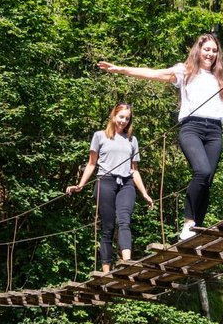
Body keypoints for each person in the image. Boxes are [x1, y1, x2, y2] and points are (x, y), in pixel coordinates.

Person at [98, 34, 223, 242]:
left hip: (214, 132)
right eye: (207, 50)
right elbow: (153, 74)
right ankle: (188, 223)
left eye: (214, 51)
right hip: (191, 128)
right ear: (198, 50)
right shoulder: (185, 72)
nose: (210, 54)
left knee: (208, 180)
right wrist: (121, 69)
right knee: (202, 172)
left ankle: (198, 227)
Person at [66, 102, 156, 273]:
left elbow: (134, 171)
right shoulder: (99, 136)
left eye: (127, 119)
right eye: (121, 117)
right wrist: (80, 185)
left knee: (124, 220)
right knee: (108, 227)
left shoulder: (132, 140)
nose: (123, 121)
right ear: (114, 116)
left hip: (126, 184)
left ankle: (127, 262)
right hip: (105, 182)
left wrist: (144, 193)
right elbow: (92, 164)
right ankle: (106, 271)